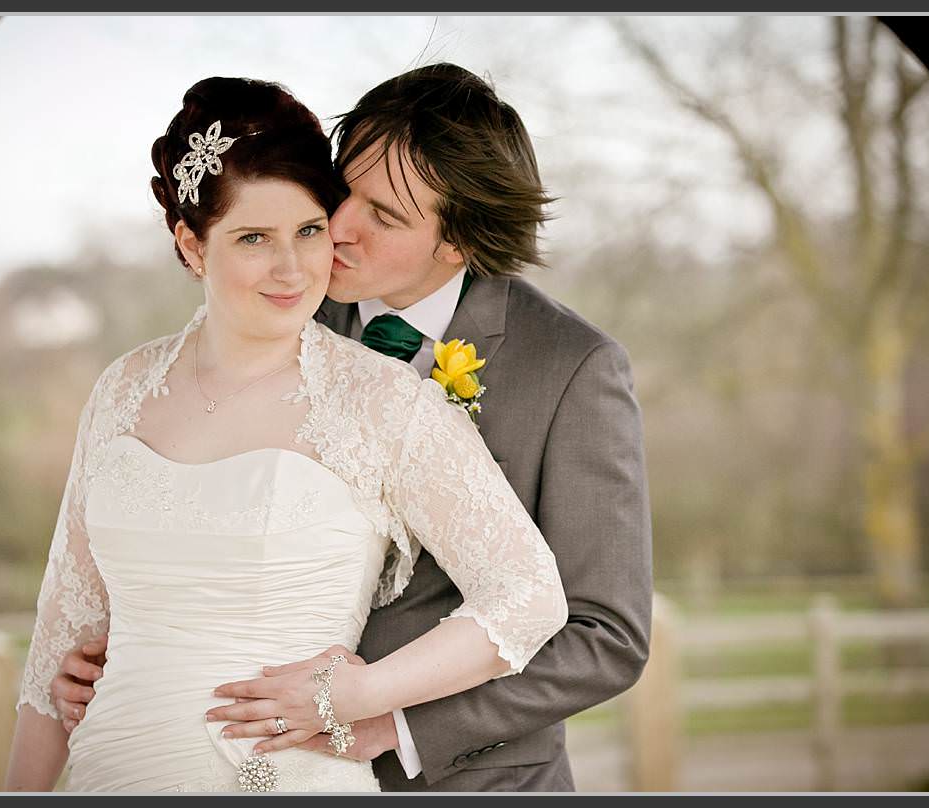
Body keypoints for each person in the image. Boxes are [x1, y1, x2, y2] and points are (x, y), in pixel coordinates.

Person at [43, 64, 654, 792]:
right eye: (344, 191)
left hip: (472, 781)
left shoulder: (570, 368)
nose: (337, 229)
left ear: (457, 241)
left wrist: (392, 722)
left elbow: (605, 636)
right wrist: (141, 644)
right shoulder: (281, 307)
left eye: (384, 215)